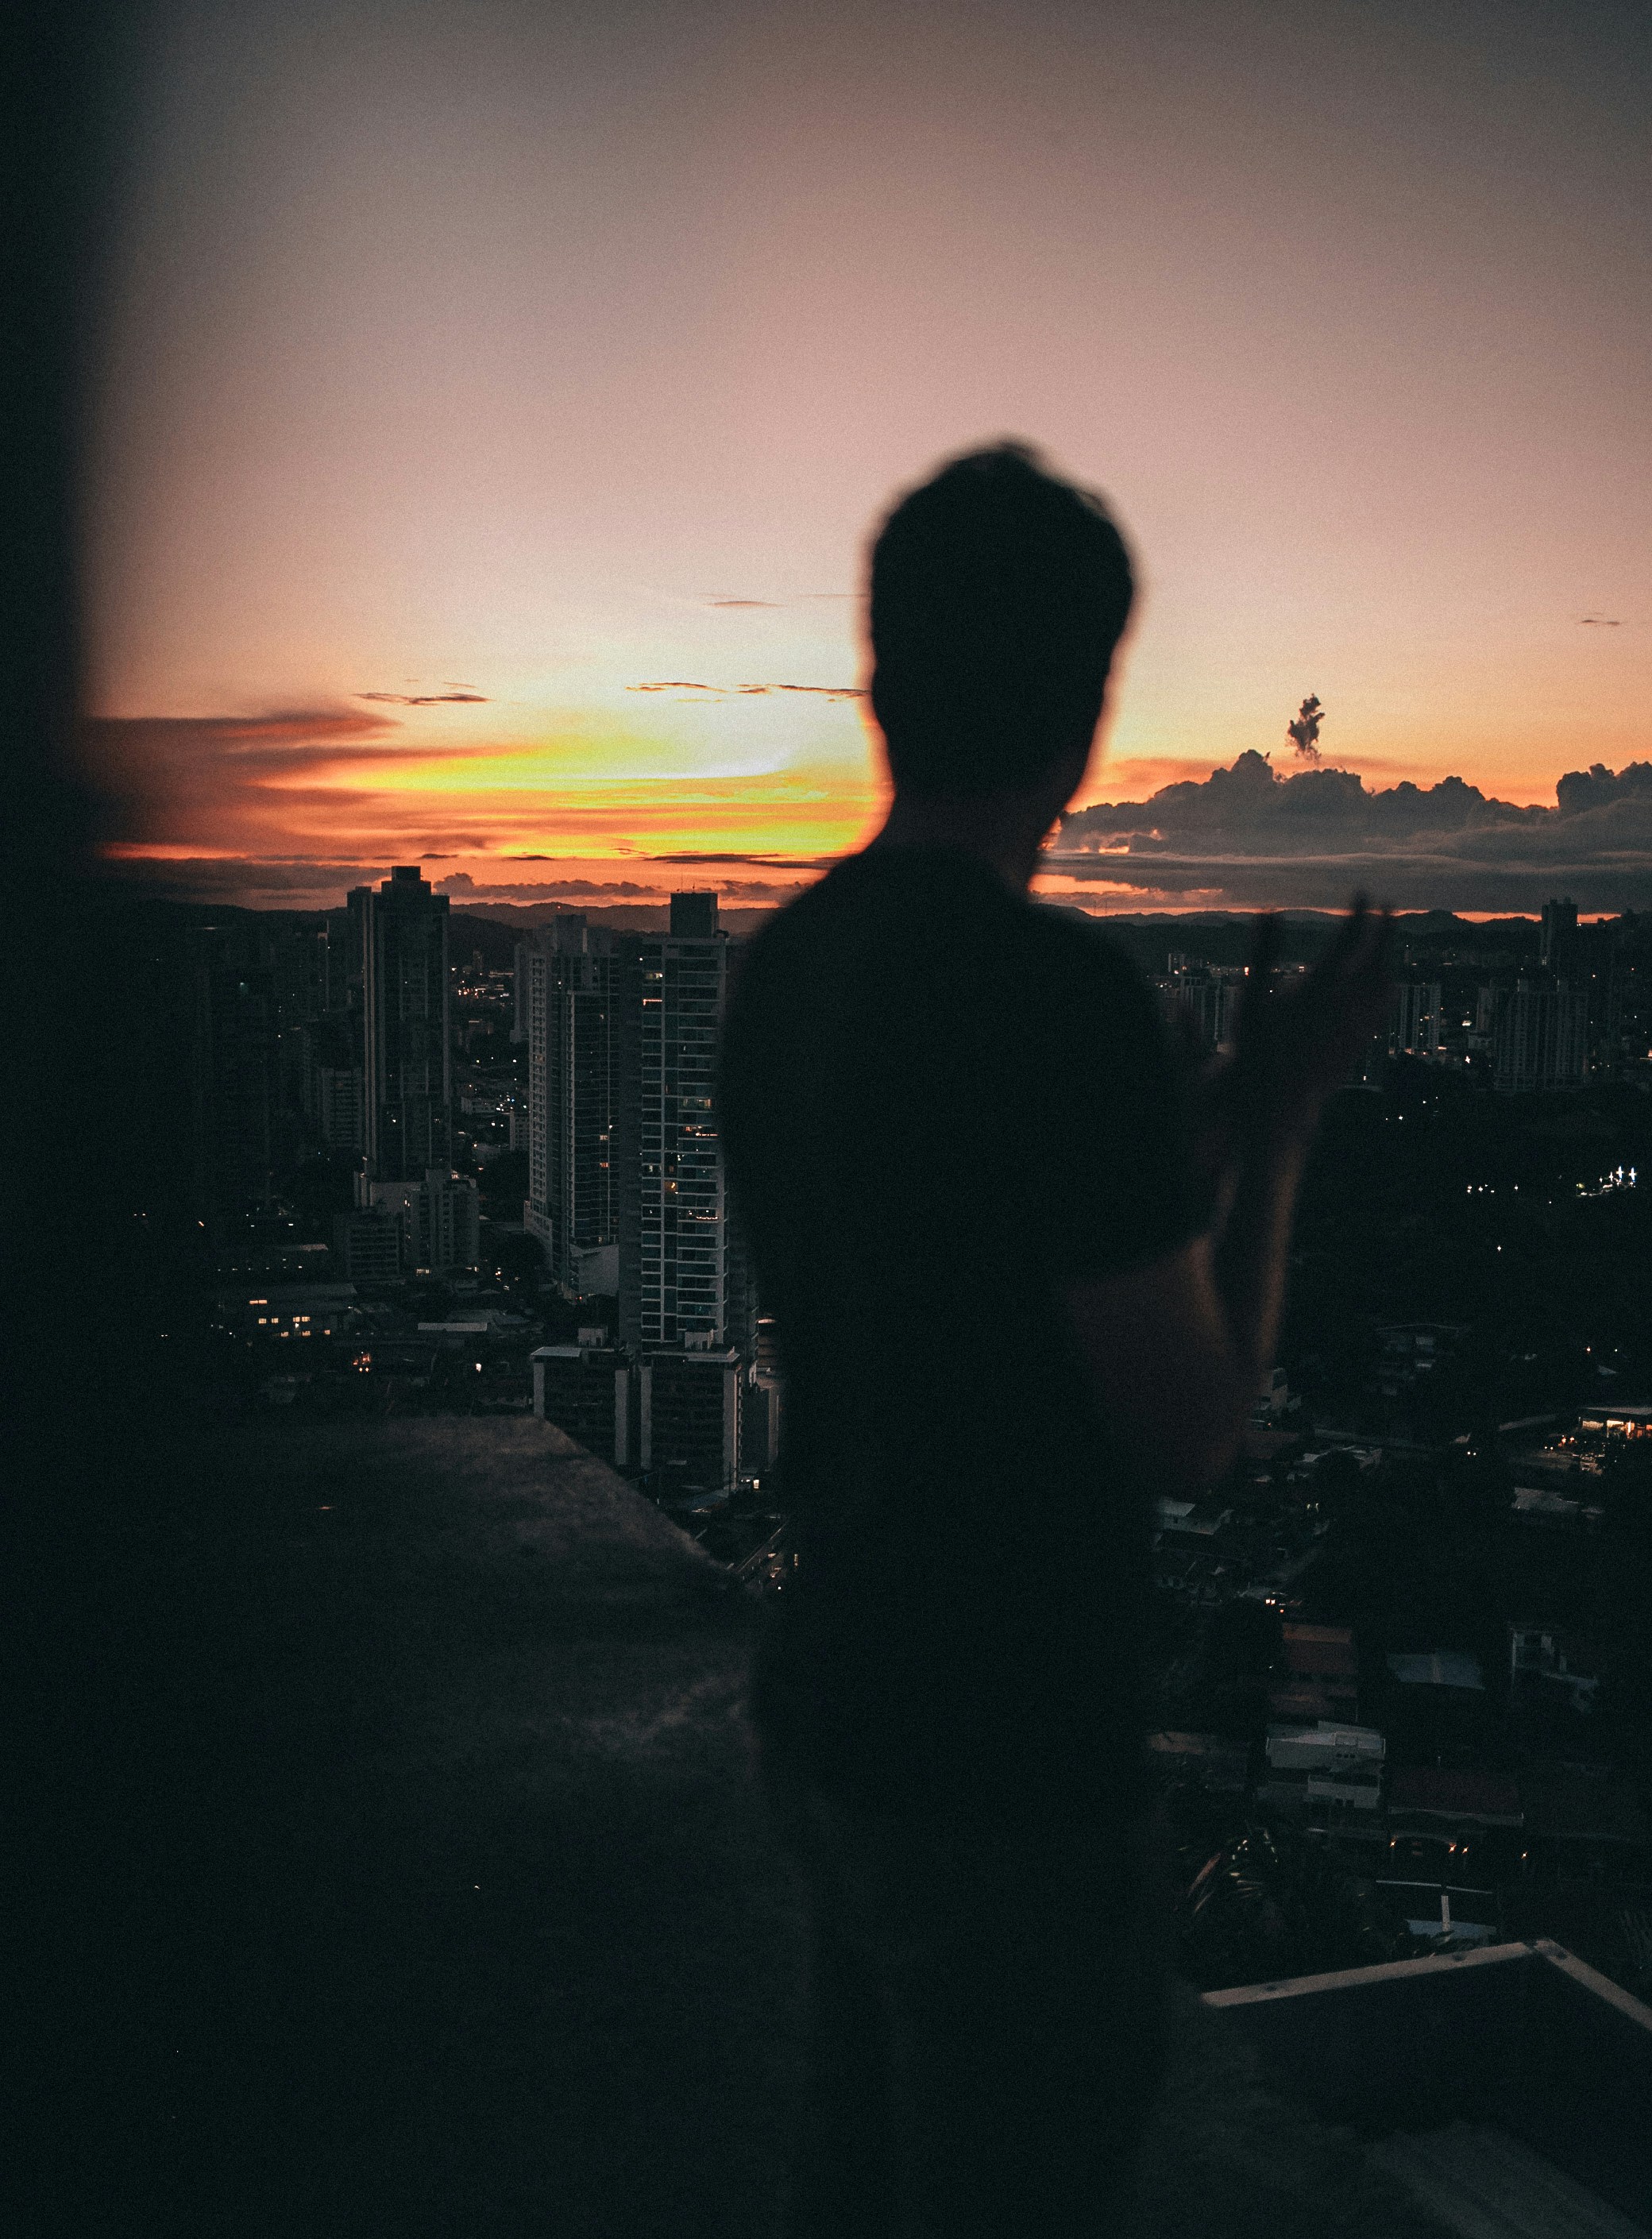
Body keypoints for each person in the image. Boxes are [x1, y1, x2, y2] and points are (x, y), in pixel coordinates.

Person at [718, 443, 1390, 2237]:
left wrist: (1197, 1147)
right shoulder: (1055, 994)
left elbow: (936, 1281)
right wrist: (1289, 1129)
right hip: (1004, 1766)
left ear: (877, 683)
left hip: (835, 1713)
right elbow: (1189, 1433)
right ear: (1087, 709)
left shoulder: (784, 970)